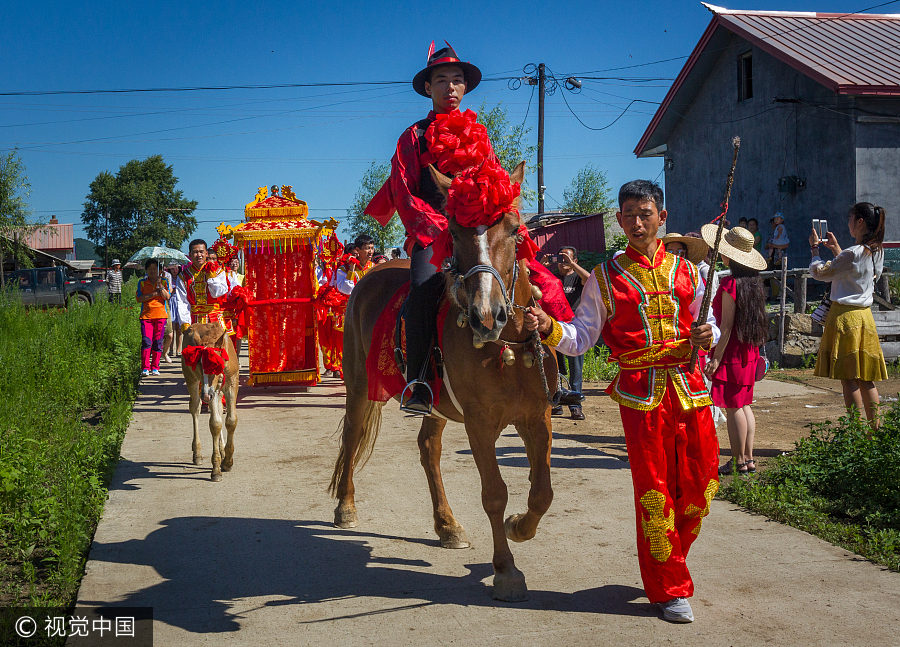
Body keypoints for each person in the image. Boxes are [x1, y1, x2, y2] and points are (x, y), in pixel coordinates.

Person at [524, 179, 719, 624]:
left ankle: (669, 558)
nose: (636, 221)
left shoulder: (691, 271)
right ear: (618, 219)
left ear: (661, 218)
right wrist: (547, 326)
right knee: (654, 494)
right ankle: (669, 586)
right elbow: (581, 337)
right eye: (628, 213)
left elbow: (706, 323)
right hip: (641, 396)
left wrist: (709, 334)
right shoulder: (605, 277)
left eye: (644, 213)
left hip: (691, 390)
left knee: (701, 488)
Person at [809, 202, 888, 427]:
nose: (849, 223)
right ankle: (876, 430)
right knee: (866, 378)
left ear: (860, 222)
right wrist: (836, 250)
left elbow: (822, 273)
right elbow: (853, 273)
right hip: (864, 317)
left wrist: (815, 250)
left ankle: (854, 433)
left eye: (851, 219)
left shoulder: (853, 253)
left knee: (849, 378)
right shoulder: (876, 251)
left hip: (845, 317)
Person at [700, 226, 768, 476]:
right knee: (745, 405)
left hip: (732, 352)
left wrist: (716, 359)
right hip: (748, 350)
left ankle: (740, 460)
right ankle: (747, 458)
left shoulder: (730, 284)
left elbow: (726, 327)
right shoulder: (754, 283)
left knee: (734, 407)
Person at [553, 246, 590, 420]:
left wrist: (572, 266)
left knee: (576, 370)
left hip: (575, 329)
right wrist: (543, 264)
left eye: (567, 259)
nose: (563, 263)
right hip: (556, 328)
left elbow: (590, 279)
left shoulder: (577, 278)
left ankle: (575, 406)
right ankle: (558, 403)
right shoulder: (553, 279)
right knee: (557, 368)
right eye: (560, 259)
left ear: (575, 260)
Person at [173, 239, 229, 331]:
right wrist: (185, 322)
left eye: (201, 252)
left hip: (214, 319)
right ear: (190, 254)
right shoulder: (183, 276)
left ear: (206, 253)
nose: (199, 255)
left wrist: (212, 277)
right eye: (195, 252)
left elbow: (218, 293)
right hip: (194, 321)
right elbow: (182, 301)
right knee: (195, 345)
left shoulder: (218, 271)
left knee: (217, 345)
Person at [136, 259, 170, 376]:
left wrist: (160, 287)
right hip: (146, 317)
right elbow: (139, 298)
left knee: (158, 342)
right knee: (146, 341)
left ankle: (155, 367)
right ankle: (145, 367)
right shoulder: (142, 282)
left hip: (161, 316)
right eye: (150, 269)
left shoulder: (164, 282)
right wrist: (154, 294)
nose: (152, 271)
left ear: (159, 270)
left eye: (155, 269)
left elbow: (167, 297)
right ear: (146, 270)